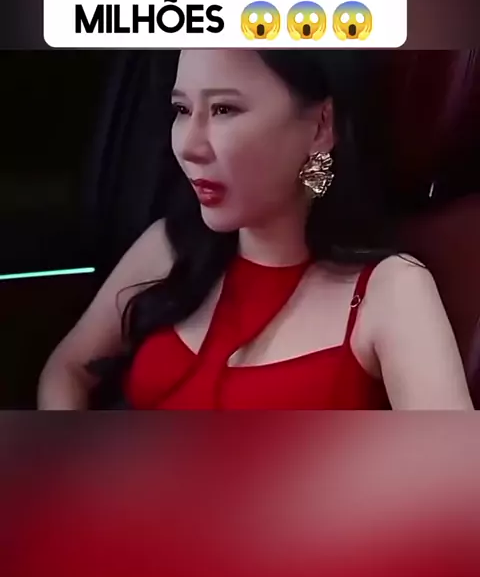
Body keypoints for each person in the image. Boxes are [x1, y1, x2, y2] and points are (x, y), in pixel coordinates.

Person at [37, 49, 473, 410]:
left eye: (224, 109)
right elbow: (66, 370)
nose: (188, 146)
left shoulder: (392, 290)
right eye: (182, 110)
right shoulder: (168, 247)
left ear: (321, 126)